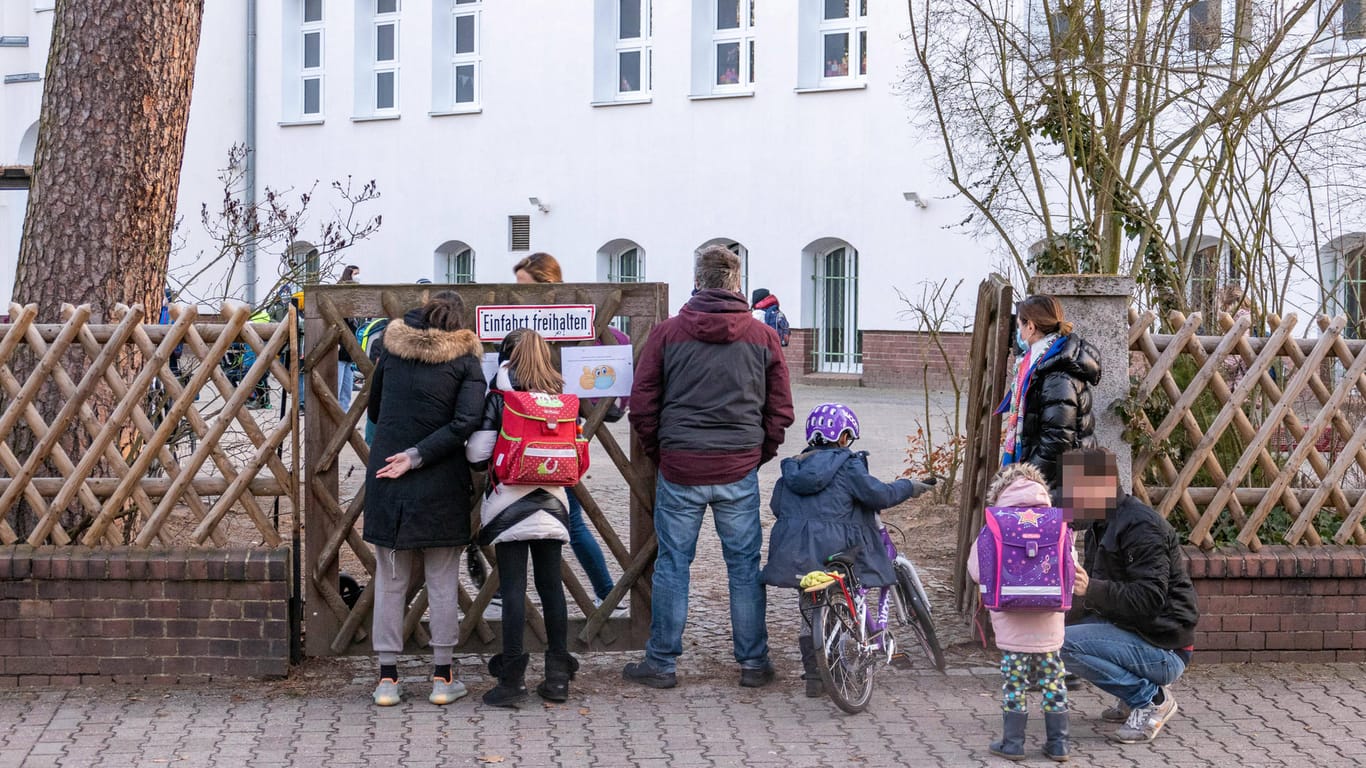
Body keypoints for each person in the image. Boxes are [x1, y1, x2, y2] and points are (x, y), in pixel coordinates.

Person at [622, 245, 794, 689]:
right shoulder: (763, 338)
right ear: (737, 284)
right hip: (737, 467)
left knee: (673, 565)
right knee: (743, 567)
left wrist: (664, 450)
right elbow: (780, 410)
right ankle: (754, 662)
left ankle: (661, 663)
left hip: (681, 467)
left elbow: (642, 406)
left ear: (697, 281)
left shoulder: (667, 334)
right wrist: (759, 454)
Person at [363, 291, 486, 707]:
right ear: (459, 321)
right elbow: (466, 422)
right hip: (440, 479)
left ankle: (387, 680)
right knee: (442, 579)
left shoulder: (392, 352)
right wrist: (418, 456)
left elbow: (375, 409)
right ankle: (442, 677)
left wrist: (403, 451)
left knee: (391, 581)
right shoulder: (467, 360)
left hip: (386, 474)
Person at [761, 403, 932, 698]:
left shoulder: (792, 468)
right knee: (846, 598)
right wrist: (908, 486)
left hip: (798, 553)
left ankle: (815, 677)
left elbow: (777, 506)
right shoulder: (848, 464)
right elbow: (878, 494)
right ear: (843, 437)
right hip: (838, 549)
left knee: (810, 608)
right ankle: (839, 669)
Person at [466, 328, 577, 707]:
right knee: (552, 588)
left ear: (505, 358)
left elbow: (478, 455)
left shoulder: (500, 397)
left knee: (513, 590)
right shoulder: (558, 397)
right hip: (554, 502)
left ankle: (512, 681)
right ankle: (558, 677)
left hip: (509, 504)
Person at [1059, 448, 1199, 745]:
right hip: (1139, 634)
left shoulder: (1141, 526)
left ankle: (1151, 698)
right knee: (1054, 635)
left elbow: (1149, 599)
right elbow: (1096, 601)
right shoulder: (1101, 524)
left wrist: (1091, 589)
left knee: (1062, 644)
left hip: (1166, 648)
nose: (1069, 500)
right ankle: (1132, 695)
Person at [511, 252, 623, 610]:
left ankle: (606, 591)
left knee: (570, 521)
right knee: (515, 517)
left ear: (546, 286)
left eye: (523, 287)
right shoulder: (534, 327)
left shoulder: (567, 329)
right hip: (523, 433)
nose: (517, 295)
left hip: (553, 435)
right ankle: (604, 590)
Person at [967, 463, 1072, 762]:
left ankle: (1013, 743)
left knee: (1015, 683)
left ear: (1000, 492)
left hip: (1011, 625)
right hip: (1050, 624)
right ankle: (1058, 744)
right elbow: (1071, 567)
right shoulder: (1058, 523)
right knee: (1054, 681)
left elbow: (976, 570)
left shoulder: (996, 524)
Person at [996, 294, 1101, 495]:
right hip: (1058, 480)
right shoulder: (1043, 362)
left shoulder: (1057, 375)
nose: (1018, 333)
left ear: (1031, 327)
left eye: (1019, 326)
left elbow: (1057, 441)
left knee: (1059, 527)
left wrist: (1024, 479)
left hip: (1064, 485)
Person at [337, 266, 360, 412]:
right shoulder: (340, 301)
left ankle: (343, 417)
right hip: (339, 350)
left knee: (346, 391)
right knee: (337, 388)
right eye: (356, 274)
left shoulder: (355, 307)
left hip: (349, 353)